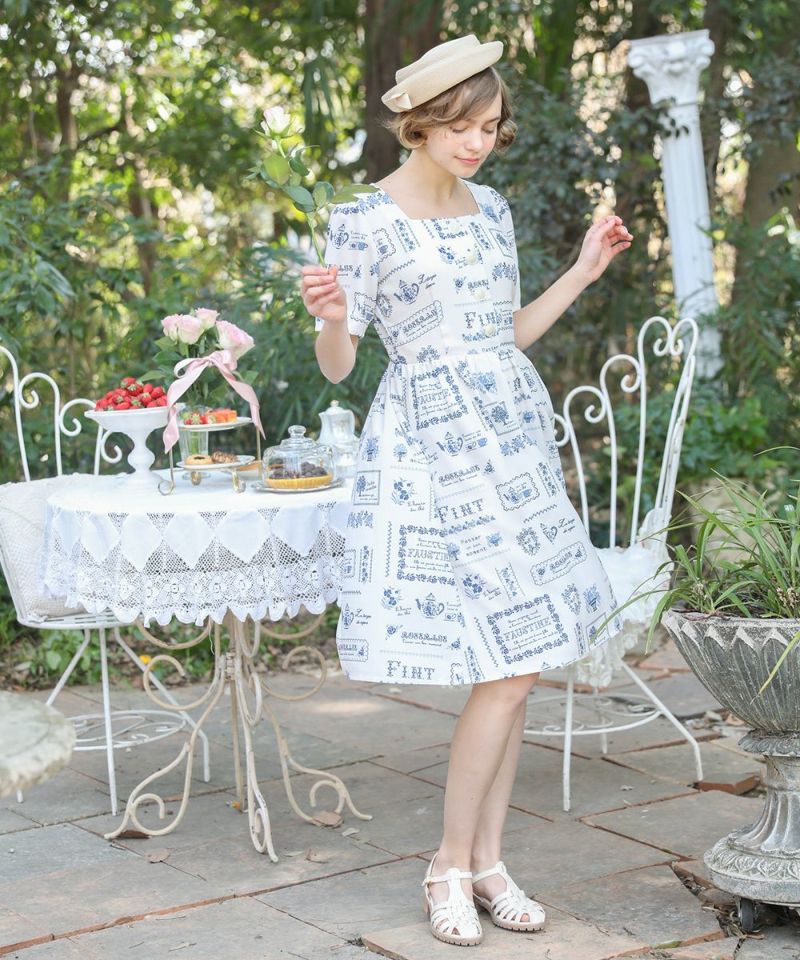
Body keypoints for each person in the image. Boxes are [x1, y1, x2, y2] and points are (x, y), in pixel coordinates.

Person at [300, 33, 632, 948]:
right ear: (419, 123)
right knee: (508, 665)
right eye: (460, 127)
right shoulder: (363, 220)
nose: (478, 143)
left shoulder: (493, 209)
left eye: (489, 127)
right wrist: (333, 317)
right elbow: (339, 367)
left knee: (518, 663)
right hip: (431, 450)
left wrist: (582, 271)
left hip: (513, 443)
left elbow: (502, 335)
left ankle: (484, 862)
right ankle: (450, 863)